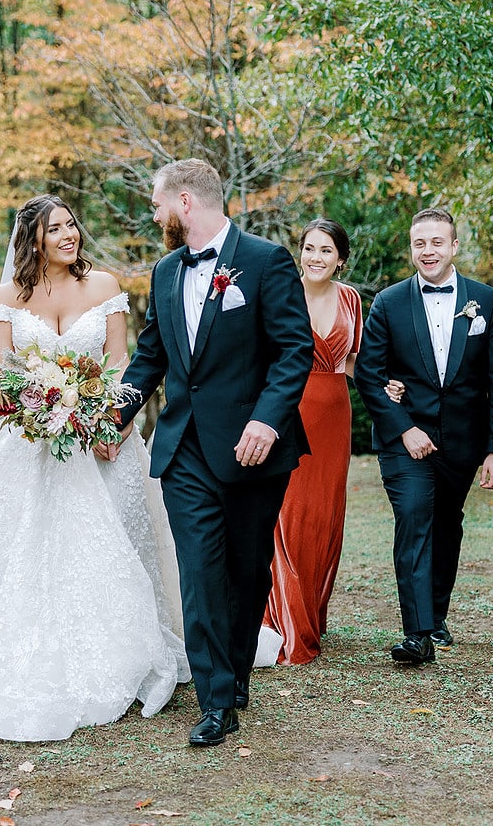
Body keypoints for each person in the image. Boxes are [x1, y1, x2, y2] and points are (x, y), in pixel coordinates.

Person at [0, 194, 189, 742]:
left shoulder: (106, 287)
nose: (69, 235)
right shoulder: (5, 296)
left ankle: (122, 646)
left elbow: (118, 364)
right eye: (55, 228)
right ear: (33, 239)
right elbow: (0, 378)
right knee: (26, 546)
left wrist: (101, 420)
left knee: (111, 543)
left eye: (71, 225)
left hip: (101, 435)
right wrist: (44, 408)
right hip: (28, 441)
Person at [118, 159, 314, 746]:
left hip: (254, 449)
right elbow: (150, 356)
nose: (153, 215)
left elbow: (293, 351)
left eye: (157, 204)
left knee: (246, 570)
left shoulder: (265, 261)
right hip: (184, 450)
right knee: (199, 572)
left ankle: (234, 667)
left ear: (185, 202)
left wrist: (265, 420)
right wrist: (112, 416)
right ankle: (217, 699)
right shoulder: (164, 272)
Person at [355, 207, 493, 665]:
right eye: (420, 244)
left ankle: (435, 614)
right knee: (413, 518)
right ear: (412, 248)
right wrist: (404, 429)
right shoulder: (388, 301)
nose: (428, 252)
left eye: (437, 243)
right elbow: (368, 375)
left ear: (454, 246)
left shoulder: (484, 301)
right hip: (404, 439)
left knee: (445, 525)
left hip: (464, 441)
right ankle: (418, 633)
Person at [261, 218, 363, 665]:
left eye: (325, 250)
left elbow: (355, 362)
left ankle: (311, 611)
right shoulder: (281, 290)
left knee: (324, 515)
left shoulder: (351, 300)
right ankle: (284, 620)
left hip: (335, 413)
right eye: (309, 248)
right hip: (289, 409)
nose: (315, 257)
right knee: (287, 513)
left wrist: (390, 387)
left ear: (340, 259)